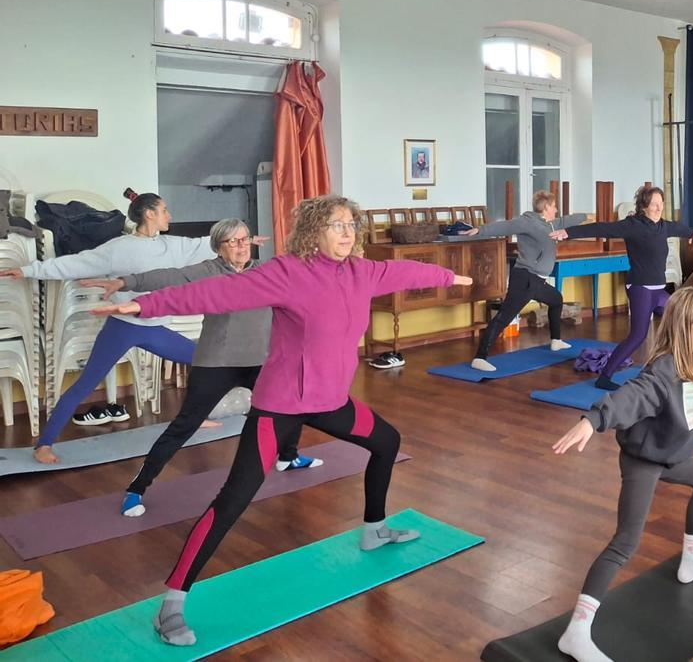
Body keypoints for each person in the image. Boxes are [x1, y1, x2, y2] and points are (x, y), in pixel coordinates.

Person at [91, 194, 472, 646]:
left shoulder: (362, 271)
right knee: (233, 500)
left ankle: (374, 530)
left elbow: (406, 271)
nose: (348, 233)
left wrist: (450, 275)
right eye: (336, 225)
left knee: (386, 442)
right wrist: (145, 305)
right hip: (281, 407)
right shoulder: (288, 272)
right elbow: (218, 292)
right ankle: (172, 603)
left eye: (351, 224)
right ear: (314, 231)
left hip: (329, 401)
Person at [80, 218, 320, 518]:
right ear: (219, 247)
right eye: (233, 241)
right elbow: (169, 276)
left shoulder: (264, 271)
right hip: (215, 362)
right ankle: (137, 488)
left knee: (290, 405)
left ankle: (288, 456)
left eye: (245, 239)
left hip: (259, 359)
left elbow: (304, 274)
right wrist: (125, 282)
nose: (241, 246)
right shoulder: (208, 271)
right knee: (185, 425)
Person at [552, 287, 693, 662]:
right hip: (643, 460)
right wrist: (594, 419)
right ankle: (575, 632)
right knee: (626, 541)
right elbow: (632, 395)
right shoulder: (665, 370)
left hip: (674, 455)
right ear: (685, 330)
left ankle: (691, 561)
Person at [0, 192, 253, 463]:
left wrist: (240, 243)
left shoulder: (171, 245)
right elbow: (74, 264)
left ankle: (195, 417)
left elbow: (206, 245)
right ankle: (44, 445)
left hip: (155, 329)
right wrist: (28, 270)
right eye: (165, 210)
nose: (170, 216)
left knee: (204, 360)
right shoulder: (118, 248)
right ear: (149, 214)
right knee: (85, 384)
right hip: (123, 328)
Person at [550, 184, 693, 390]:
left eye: (661, 204)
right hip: (640, 288)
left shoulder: (663, 226)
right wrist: (568, 232)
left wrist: (691, 233)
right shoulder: (633, 225)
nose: (659, 208)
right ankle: (605, 377)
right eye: (654, 204)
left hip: (658, 291)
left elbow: (680, 228)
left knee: (681, 320)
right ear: (644, 206)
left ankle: (679, 370)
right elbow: (601, 228)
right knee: (638, 336)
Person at [456, 190, 587, 371]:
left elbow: (566, 221)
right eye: (554, 206)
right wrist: (481, 230)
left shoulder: (550, 225)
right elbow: (506, 226)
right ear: (547, 207)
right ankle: (479, 357)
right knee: (504, 317)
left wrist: (587, 216)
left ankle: (556, 340)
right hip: (525, 279)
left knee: (556, 299)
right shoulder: (527, 222)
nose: (556, 210)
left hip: (537, 281)